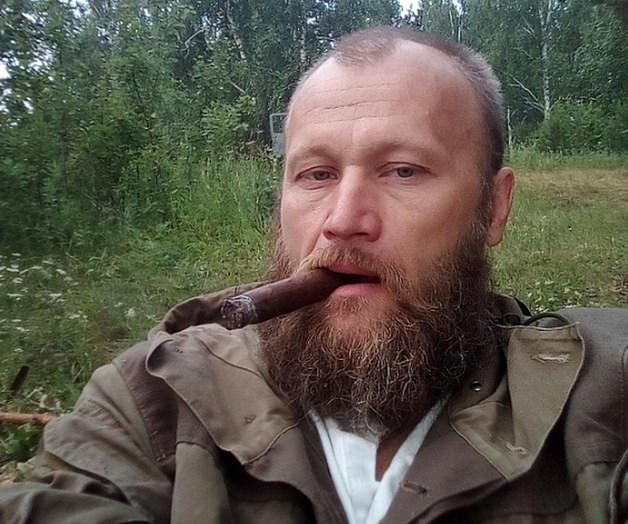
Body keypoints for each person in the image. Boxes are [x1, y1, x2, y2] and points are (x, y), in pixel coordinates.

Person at [1, 26, 627, 524]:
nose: (343, 220)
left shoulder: (601, 397)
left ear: (493, 207)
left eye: (403, 170)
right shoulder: (154, 400)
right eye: (316, 175)